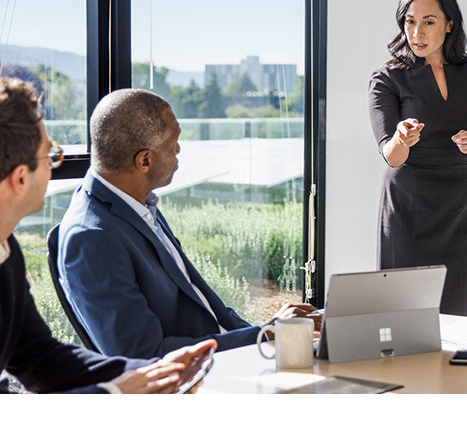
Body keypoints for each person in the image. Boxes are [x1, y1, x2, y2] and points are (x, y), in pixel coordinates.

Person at [0, 78, 217, 394]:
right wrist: (115, 395)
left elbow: (39, 358)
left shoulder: (2, 249)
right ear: (19, 178)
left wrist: (158, 371)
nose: (52, 168)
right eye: (51, 155)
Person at [57, 88, 318, 358]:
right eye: (174, 142)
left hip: (226, 359)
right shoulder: (92, 237)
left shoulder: (138, 205)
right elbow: (144, 355)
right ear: (145, 160)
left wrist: (266, 333)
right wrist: (264, 336)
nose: (179, 150)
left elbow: (203, 305)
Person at [368, 0, 467, 316]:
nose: (417, 32)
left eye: (428, 22)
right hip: (409, 206)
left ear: (449, 24)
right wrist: (401, 138)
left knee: (457, 308)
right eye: (410, 21)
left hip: (460, 206)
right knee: (403, 314)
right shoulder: (387, 78)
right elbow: (391, 155)